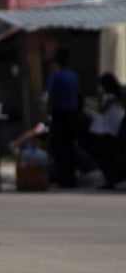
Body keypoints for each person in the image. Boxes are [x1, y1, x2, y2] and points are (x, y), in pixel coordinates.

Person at [45, 48, 79, 188]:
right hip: (72, 112)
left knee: (58, 146)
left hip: (59, 113)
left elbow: (51, 96)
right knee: (69, 146)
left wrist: (47, 112)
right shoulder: (73, 76)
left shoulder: (56, 76)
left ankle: (61, 177)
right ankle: (70, 177)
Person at [86, 72, 125, 188]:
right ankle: (110, 179)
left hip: (108, 128)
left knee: (106, 156)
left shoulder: (112, 97)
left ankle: (110, 179)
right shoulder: (116, 96)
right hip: (110, 127)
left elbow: (102, 109)